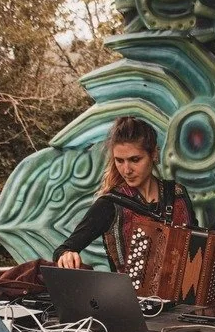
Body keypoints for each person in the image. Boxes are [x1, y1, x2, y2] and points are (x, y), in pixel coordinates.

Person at [53, 116, 197, 273]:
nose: (127, 170)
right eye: (120, 161)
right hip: (128, 290)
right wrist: (66, 254)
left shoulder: (177, 194)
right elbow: (63, 250)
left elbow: (196, 247)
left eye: (135, 159)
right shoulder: (110, 204)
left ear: (154, 154)